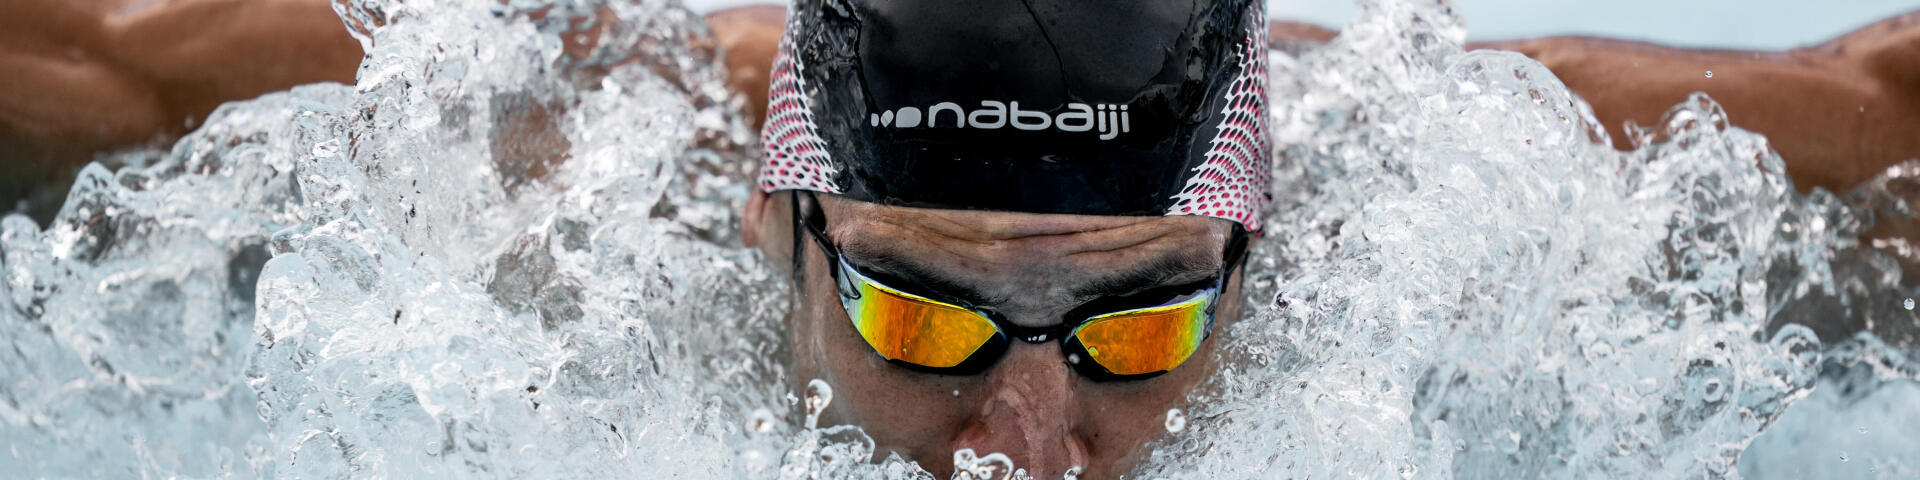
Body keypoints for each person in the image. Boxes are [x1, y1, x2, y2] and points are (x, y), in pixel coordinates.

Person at [3, 1, 1918, 478]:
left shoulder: (1473, 176)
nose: (1025, 445)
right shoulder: (551, 152)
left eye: (1138, 335)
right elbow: (86, 67)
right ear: (777, 226)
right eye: (924, 321)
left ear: (1259, 252)